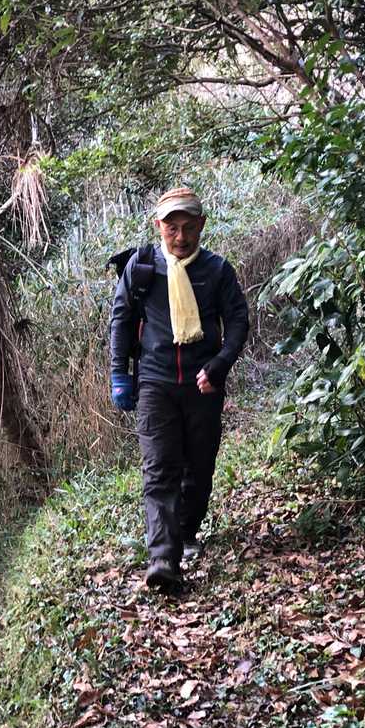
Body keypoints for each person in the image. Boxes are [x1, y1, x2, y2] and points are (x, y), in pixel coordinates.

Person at [109, 186, 250, 591]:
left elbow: (237, 321)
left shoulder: (217, 270)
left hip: (203, 384)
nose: (181, 237)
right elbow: (121, 320)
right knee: (159, 469)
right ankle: (163, 559)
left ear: (201, 225)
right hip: (155, 383)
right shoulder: (142, 268)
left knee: (199, 468)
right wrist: (119, 374)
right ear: (159, 226)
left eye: (189, 227)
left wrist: (220, 364)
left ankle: (187, 530)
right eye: (172, 228)